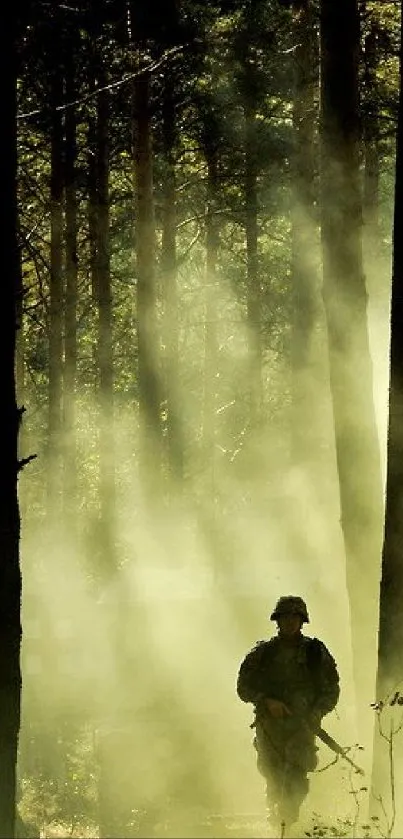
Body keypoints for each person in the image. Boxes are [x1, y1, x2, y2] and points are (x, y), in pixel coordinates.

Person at [236, 595, 340, 835]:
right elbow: (243, 687)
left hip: (302, 728)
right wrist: (266, 700)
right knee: (272, 778)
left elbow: (331, 688)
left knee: (295, 779)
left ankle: (287, 824)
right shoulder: (262, 653)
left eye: (295, 617)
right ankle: (278, 822)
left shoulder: (315, 652)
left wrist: (316, 713)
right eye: (285, 617)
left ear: (302, 620)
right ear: (277, 620)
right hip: (270, 728)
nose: (290, 621)